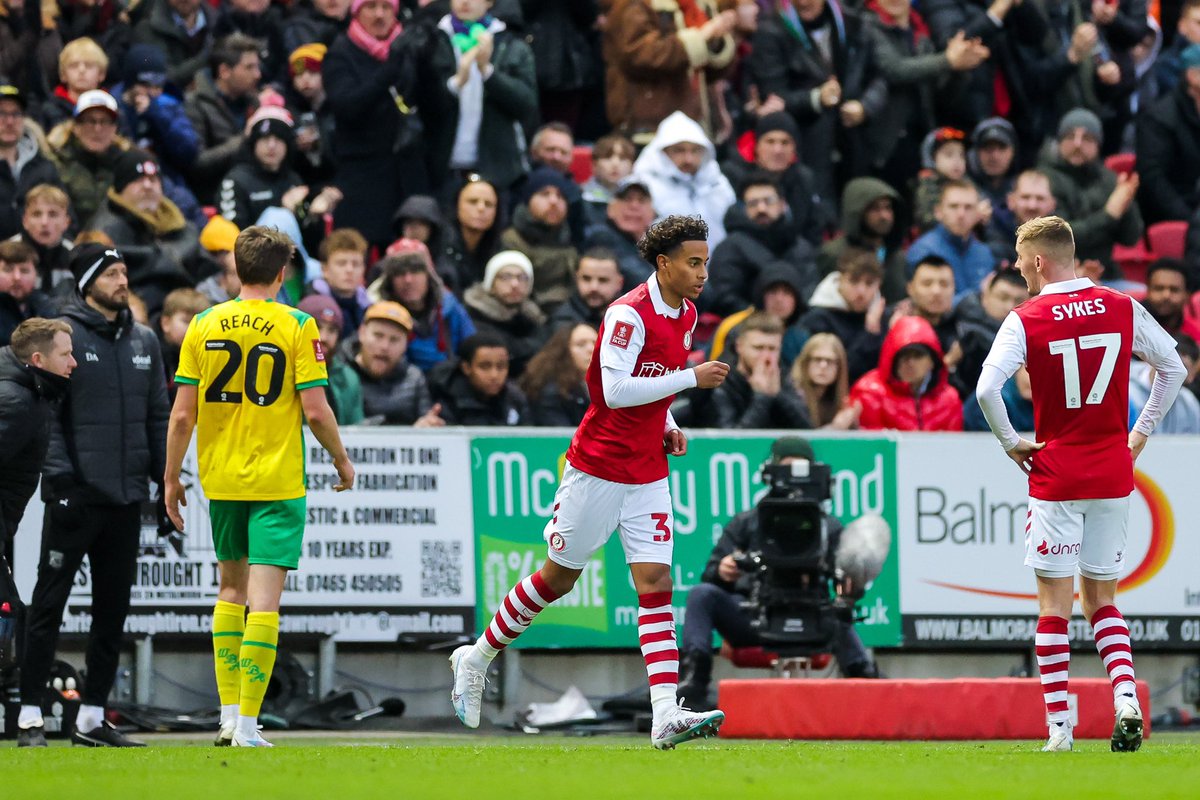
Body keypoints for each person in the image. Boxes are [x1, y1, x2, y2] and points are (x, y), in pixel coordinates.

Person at [448, 214, 731, 750]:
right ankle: (478, 655)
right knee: (558, 580)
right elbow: (614, 392)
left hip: (647, 471)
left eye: (706, 263)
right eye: (693, 263)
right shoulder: (627, 314)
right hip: (597, 466)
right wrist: (691, 380)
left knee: (656, 583)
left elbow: (651, 387)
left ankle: (665, 714)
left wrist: (668, 423)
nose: (702, 273)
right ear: (664, 263)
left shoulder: (688, 314)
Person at [975, 215, 1185, 753]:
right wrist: (1139, 433)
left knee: (1054, 604)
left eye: (1022, 262)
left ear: (1040, 261)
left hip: (1057, 472)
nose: (1020, 271)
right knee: (1103, 600)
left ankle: (1060, 731)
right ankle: (1125, 699)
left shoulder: (1025, 318)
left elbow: (986, 390)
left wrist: (1010, 441)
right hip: (1113, 473)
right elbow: (1174, 368)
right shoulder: (1121, 306)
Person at [164, 226, 355, 748]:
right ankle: (247, 724)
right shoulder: (297, 324)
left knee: (228, 591)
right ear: (281, 272)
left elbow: (182, 415)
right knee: (264, 604)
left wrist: (170, 476)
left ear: (236, 266)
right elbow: (316, 409)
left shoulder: (203, 324)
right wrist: (340, 459)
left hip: (220, 479)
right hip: (275, 480)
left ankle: (227, 716)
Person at [18, 245, 170, 748]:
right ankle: (31, 717)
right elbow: (48, 415)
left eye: (125, 270)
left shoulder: (144, 338)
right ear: (86, 282)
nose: (123, 279)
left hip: (126, 500)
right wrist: (61, 480)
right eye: (111, 272)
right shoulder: (63, 337)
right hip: (75, 498)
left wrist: (166, 485)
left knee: (113, 611)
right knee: (48, 606)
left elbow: (158, 420)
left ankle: (90, 719)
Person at [676, 436, 879, 709]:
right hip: (756, 615)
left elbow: (847, 582)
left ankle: (868, 688)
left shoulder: (828, 527)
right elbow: (710, 573)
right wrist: (723, 570)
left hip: (811, 615)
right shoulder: (747, 522)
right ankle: (692, 684)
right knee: (702, 594)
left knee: (838, 611)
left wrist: (851, 583)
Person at [0, 318, 74, 738]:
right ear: (37, 359)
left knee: (8, 616)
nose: (74, 363)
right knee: (5, 620)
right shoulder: (16, 401)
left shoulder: (27, 389)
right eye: (66, 354)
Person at [367, 238, 476, 373]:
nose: (408, 280)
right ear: (390, 280)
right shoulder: (377, 313)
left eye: (415, 271)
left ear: (429, 275)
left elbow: (474, 348)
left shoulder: (450, 306)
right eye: (399, 272)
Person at [631, 111, 737, 248]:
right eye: (679, 150)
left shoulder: (717, 183)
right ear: (663, 152)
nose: (688, 159)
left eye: (695, 151)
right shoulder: (644, 184)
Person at [849, 315, 963, 431]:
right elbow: (871, 445)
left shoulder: (950, 399)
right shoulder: (869, 392)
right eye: (903, 356)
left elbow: (953, 447)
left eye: (918, 355)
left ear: (932, 361)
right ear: (891, 359)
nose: (910, 363)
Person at [705, 312, 811, 429]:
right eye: (758, 348)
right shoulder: (720, 381)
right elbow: (732, 441)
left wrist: (778, 395)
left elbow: (807, 431)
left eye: (772, 349)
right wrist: (762, 397)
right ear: (739, 346)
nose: (766, 356)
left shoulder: (783, 376)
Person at [347, 300, 442, 426]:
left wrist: (425, 427)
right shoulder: (340, 373)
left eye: (394, 339)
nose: (385, 346)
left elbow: (425, 419)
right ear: (362, 333)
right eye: (378, 335)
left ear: (406, 345)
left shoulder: (414, 378)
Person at [462, 249, 547, 378]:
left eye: (522, 278)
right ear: (490, 283)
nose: (515, 284)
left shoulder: (533, 316)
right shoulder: (472, 315)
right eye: (506, 277)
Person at [906, 179, 995, 302]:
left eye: (968, 207)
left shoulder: (984, 253)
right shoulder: (924, 250)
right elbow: (928, 304)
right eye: (953, 206)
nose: (961, 214)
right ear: (938, 212)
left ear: (977, 214)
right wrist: (980, 292)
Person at [427, 331, 529, 426]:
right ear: (466, 368)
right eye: (485, 366)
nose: (494, 375)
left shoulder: (515, 400)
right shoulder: (446, 402)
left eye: (501, 367)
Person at [1, 83, 61, 242]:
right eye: (1, 114)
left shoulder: (45, 168)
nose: (9, 121)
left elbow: (67, 220)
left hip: (37, 261)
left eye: (16, 114)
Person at [297, 294, 363, 424]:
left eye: (332, 330)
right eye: (316, 327)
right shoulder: (282, 372)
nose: (324, 338)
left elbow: (356, 429)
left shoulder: (348, 378)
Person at [519, 323, 596, 427]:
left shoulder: (607, 388)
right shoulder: (552, 394)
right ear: (564, 351)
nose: (591, 349)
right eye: (581, 345)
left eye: (596, 343)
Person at [9, 183, 73, 296]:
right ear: (25, 221)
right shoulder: (5, 254)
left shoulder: (75, 256)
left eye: (53, 214)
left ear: (66, 222)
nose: (44, 222)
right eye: (36, 214)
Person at [790, 333, 858, 429]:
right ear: (805, 363)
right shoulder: (792, 397)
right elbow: (801, 441)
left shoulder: (840, 400)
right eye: (817, 359)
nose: (823, 366)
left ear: (839, 367)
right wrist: (835, 428)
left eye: (830, 361)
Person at [0, 240, 56, 345]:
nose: (17, 277)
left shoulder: (48, 309)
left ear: (36, 275)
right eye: (8, 270)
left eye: (24, 271)